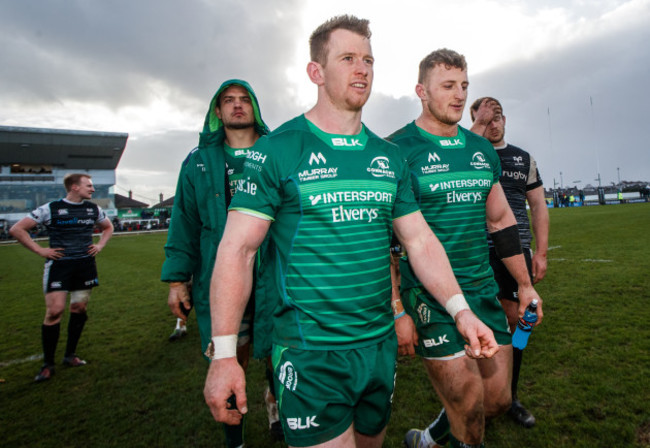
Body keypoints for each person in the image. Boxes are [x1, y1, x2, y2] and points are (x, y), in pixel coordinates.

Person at [203, 16, 499, 448]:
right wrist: (226, 354)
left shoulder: (389, 156)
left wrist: (461, 311)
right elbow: (237, 251)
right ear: (316, 72)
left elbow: (419, 241)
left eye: (368, 60)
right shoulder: (277, 150)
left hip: (378, 349)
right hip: (311, 352)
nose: (362, 69)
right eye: (347, 58)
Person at [387, 49, 544, 448]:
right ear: (422, 91)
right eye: (448, 86)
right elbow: (388, 240)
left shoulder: (480, 149)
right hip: (430, 297)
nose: (459, 95)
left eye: (464, 86)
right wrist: (398, 306)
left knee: (497, 400)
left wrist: (524, 285)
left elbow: (501, 221)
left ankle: (425, 439)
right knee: (470, 408)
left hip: (481, 288)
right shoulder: (396, 151)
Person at [160, 79, 281, 447]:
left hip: (275, 272)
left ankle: (276, 405)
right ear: (217, 111)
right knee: (231, 356)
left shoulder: (276, 152)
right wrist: (177, 280)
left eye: (245, 100)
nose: (238, 106)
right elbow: (184, 223)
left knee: (280, 352)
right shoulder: (198, 162)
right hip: (222, 276)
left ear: (256, 108)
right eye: (229, 101)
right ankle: (235, 439)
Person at [470, 96, 549, 427]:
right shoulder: (469, 154)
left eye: (498, 116)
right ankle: (474, 397)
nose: (493, 122)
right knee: (479, 326)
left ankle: (511, 395)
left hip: (517, 254)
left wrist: (541, 252)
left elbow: (539, 206)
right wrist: (476, 130)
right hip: (476, 252)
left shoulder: (523, 158)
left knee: (521, 324)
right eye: (486, 118)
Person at [9, 173, 113, 382]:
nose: (92, 189)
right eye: (88, 186)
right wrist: (40, 250)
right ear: (74, 187)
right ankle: (47, 364)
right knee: (55, 311)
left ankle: (70, 355)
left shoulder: (93, 209)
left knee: (79, 308)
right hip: (59, 266)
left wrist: (100, 245)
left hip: (84, 265)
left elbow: (108, 227)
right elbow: (17, 229)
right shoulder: (51, 208)